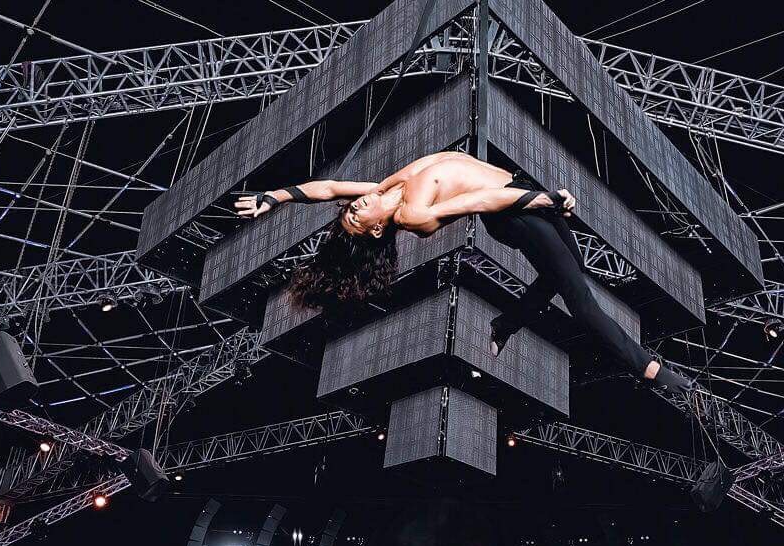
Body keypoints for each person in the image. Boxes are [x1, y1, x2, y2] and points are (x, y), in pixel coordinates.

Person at [236, 153, 696, 393]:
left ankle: (506, 324)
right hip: (513, 214)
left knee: (567, 273)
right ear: (377, 230)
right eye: (356, 217)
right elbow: (478, 201)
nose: (354, 207)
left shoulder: (387, 187)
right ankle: (652, 370)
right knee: (581, 300)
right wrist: (539, 199)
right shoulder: (412, 213)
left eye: (351, 210)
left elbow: (330, 187)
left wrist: (275, 197)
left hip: (519, 190)